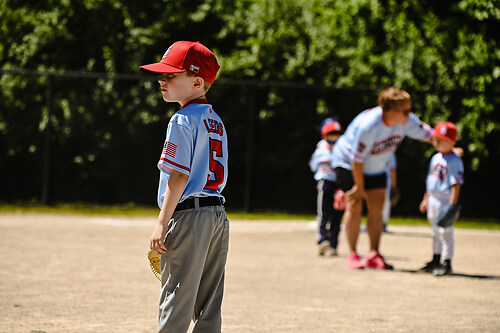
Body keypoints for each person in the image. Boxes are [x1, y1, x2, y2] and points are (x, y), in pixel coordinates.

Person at [141, 41, 229, 332]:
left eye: (170, 75)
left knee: (176, 298)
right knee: (209, 304)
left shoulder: (181, 119)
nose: (161, 80)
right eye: (161, 75)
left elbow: (178, 176)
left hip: (189, 215)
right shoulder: (215, 120)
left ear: (196, 81)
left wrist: (161, 223)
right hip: (217, 215)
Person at [332, 87, 433, 270]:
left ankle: (373, 254)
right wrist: (359, 187)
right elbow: (357, 159)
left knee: (377, 207)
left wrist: (449, 147)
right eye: (405, 110)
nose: (409, 114)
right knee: (355, 206)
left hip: (376, 165)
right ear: (389, 110)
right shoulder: (369, 125)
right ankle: (353, 254)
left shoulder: (406, 121)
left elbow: (431, 136)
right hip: (348, 162)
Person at [418, 121, 464, 276]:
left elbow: (456, 184)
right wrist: (425, 198)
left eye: (441, 139)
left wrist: (452, 205)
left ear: (452, 141)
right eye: (435, 139)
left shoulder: (455, 161)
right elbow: (430, 181)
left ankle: (447, 262)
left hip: (445, 199)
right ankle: (436, 260)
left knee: (446, 232)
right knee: (434, 232)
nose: (436, 142)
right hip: (433, 198)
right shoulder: (435, 157)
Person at [309, 119, 344, 256]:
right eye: (331, 138)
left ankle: (334, 244)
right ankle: (323, 240)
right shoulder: (320, 149)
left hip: (339, 184)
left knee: (337, 216)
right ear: (325, 137)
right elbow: (313, 165)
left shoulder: (344, 148)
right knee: (324, 213)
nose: (334, 140)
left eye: (337, 136)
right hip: (325, 183)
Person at [382, 153, 398, 233]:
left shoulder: (390, 153)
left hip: (385, 182)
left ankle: (382, 224)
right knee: (385, 204)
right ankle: (381, 224)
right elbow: (393, 170)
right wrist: (393, 186)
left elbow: (393, 170)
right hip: (384, 182)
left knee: (384, 204)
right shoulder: (391, 153)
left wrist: (393, 186)